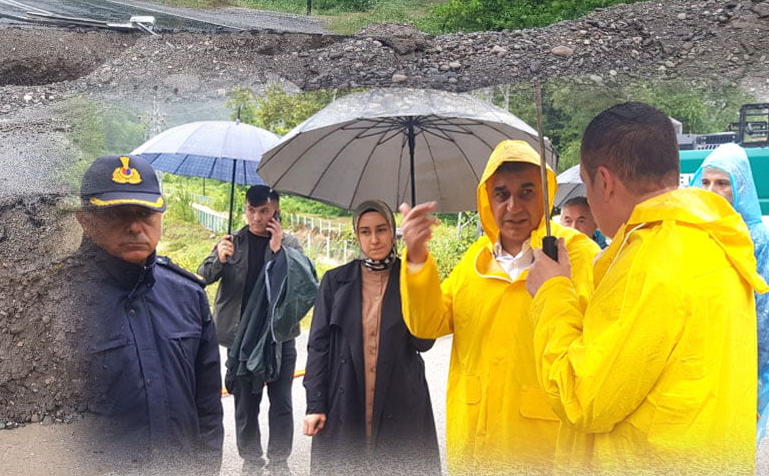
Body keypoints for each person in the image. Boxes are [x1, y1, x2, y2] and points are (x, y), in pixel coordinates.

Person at [527, 103, 769, 474]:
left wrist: (553, 292)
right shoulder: (713, 240)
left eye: (588, 188)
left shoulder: (649, 262)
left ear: (604, 182)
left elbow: (583, 397)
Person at [398, 139, 599, 475]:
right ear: (487, 200)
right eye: (502, 194)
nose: (513, 207)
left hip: (546, 447)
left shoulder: (578, 255)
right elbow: (427, 325)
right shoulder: (475, 260)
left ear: (546, 196)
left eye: (526, 192)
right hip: (474, 442)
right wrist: (417, 259)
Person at [68, 154, 223, 474]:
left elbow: (207, 411)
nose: (136, 226)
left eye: (146, 213)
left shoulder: (188, 295)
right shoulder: (55, 300)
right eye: (118, 214)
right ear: (85, 220)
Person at [303, 200, 439, 476]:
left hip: (399, 398)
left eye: (381, 229)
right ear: (357, 236)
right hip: (346, 395)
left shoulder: (411, 276)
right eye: (365, 232)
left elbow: (425, 342)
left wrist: (416, 268)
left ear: (393, 232)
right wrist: (315, 404)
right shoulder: (335, 282)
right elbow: (318, 347)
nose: (374, 239)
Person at [198, 186, 305, 475]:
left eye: (264, 211)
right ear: (245, 209)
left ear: (276, 212)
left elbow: (304, 287)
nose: (256, 218)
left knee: (281, 401)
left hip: (279, 337)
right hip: (241, 337)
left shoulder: (290, 244)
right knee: (246, 404)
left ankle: (280, 462)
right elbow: (203, 278)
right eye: (251, 210)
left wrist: (279, 251)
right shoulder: (232, 242)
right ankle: (251, 462)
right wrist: (218, 258)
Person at [694, 143, 769, 443]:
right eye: (706, 182)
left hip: (745, 356)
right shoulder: (697, 229)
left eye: (723, 183)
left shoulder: (758, 239)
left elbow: (764, 311)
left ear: (741, 187)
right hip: (704, 353)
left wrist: (754, 370)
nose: (712, 190)